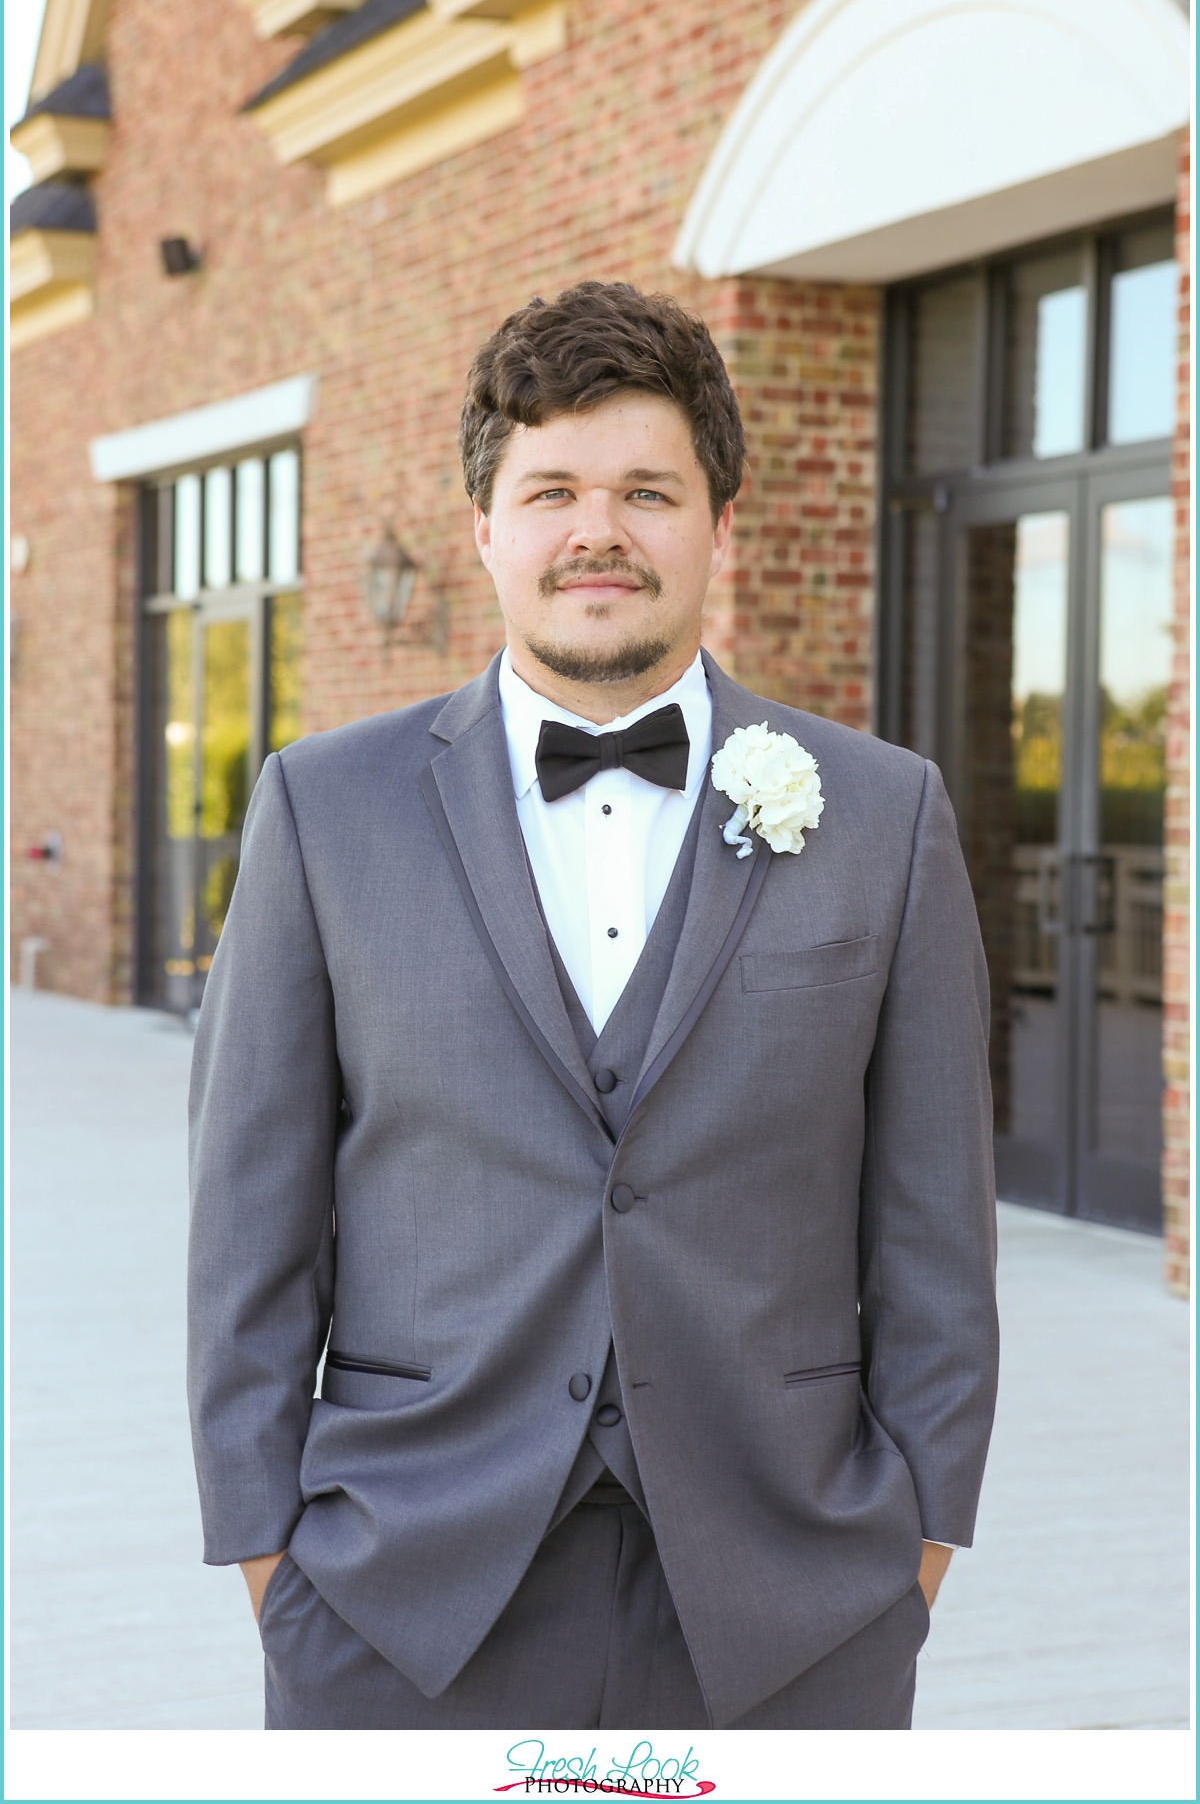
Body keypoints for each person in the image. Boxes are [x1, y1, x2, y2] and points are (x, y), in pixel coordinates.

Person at [187, 279, 998, 1730]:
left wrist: (915, 1549)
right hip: (398, 1599)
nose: (597, 530)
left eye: (647, 489)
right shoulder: (323, 806)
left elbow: (937, 1226)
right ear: (486, 527)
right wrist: (271, 1558)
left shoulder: (888, 814)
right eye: (550, 488)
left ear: (718, 522)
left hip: (792, 1600)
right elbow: (249, 1216)